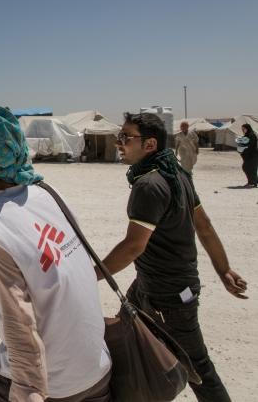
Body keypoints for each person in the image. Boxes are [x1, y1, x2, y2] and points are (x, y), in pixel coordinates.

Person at [0, 103, 111, 402]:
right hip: (97, 370)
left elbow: (19, 319)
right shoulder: (49, 193)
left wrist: (29, 391)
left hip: (52, 384)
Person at [98, 112, 248, 402]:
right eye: (119, 137)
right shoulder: (177, 174)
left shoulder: (149, 185)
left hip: (169, 297)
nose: (119, 143)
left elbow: (132, 246)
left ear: (150, 144)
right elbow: (203, 225)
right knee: (123, 341)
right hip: (149, 286)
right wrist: (224, 269)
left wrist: (91, 273)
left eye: (126, 137)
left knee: (199, 369)